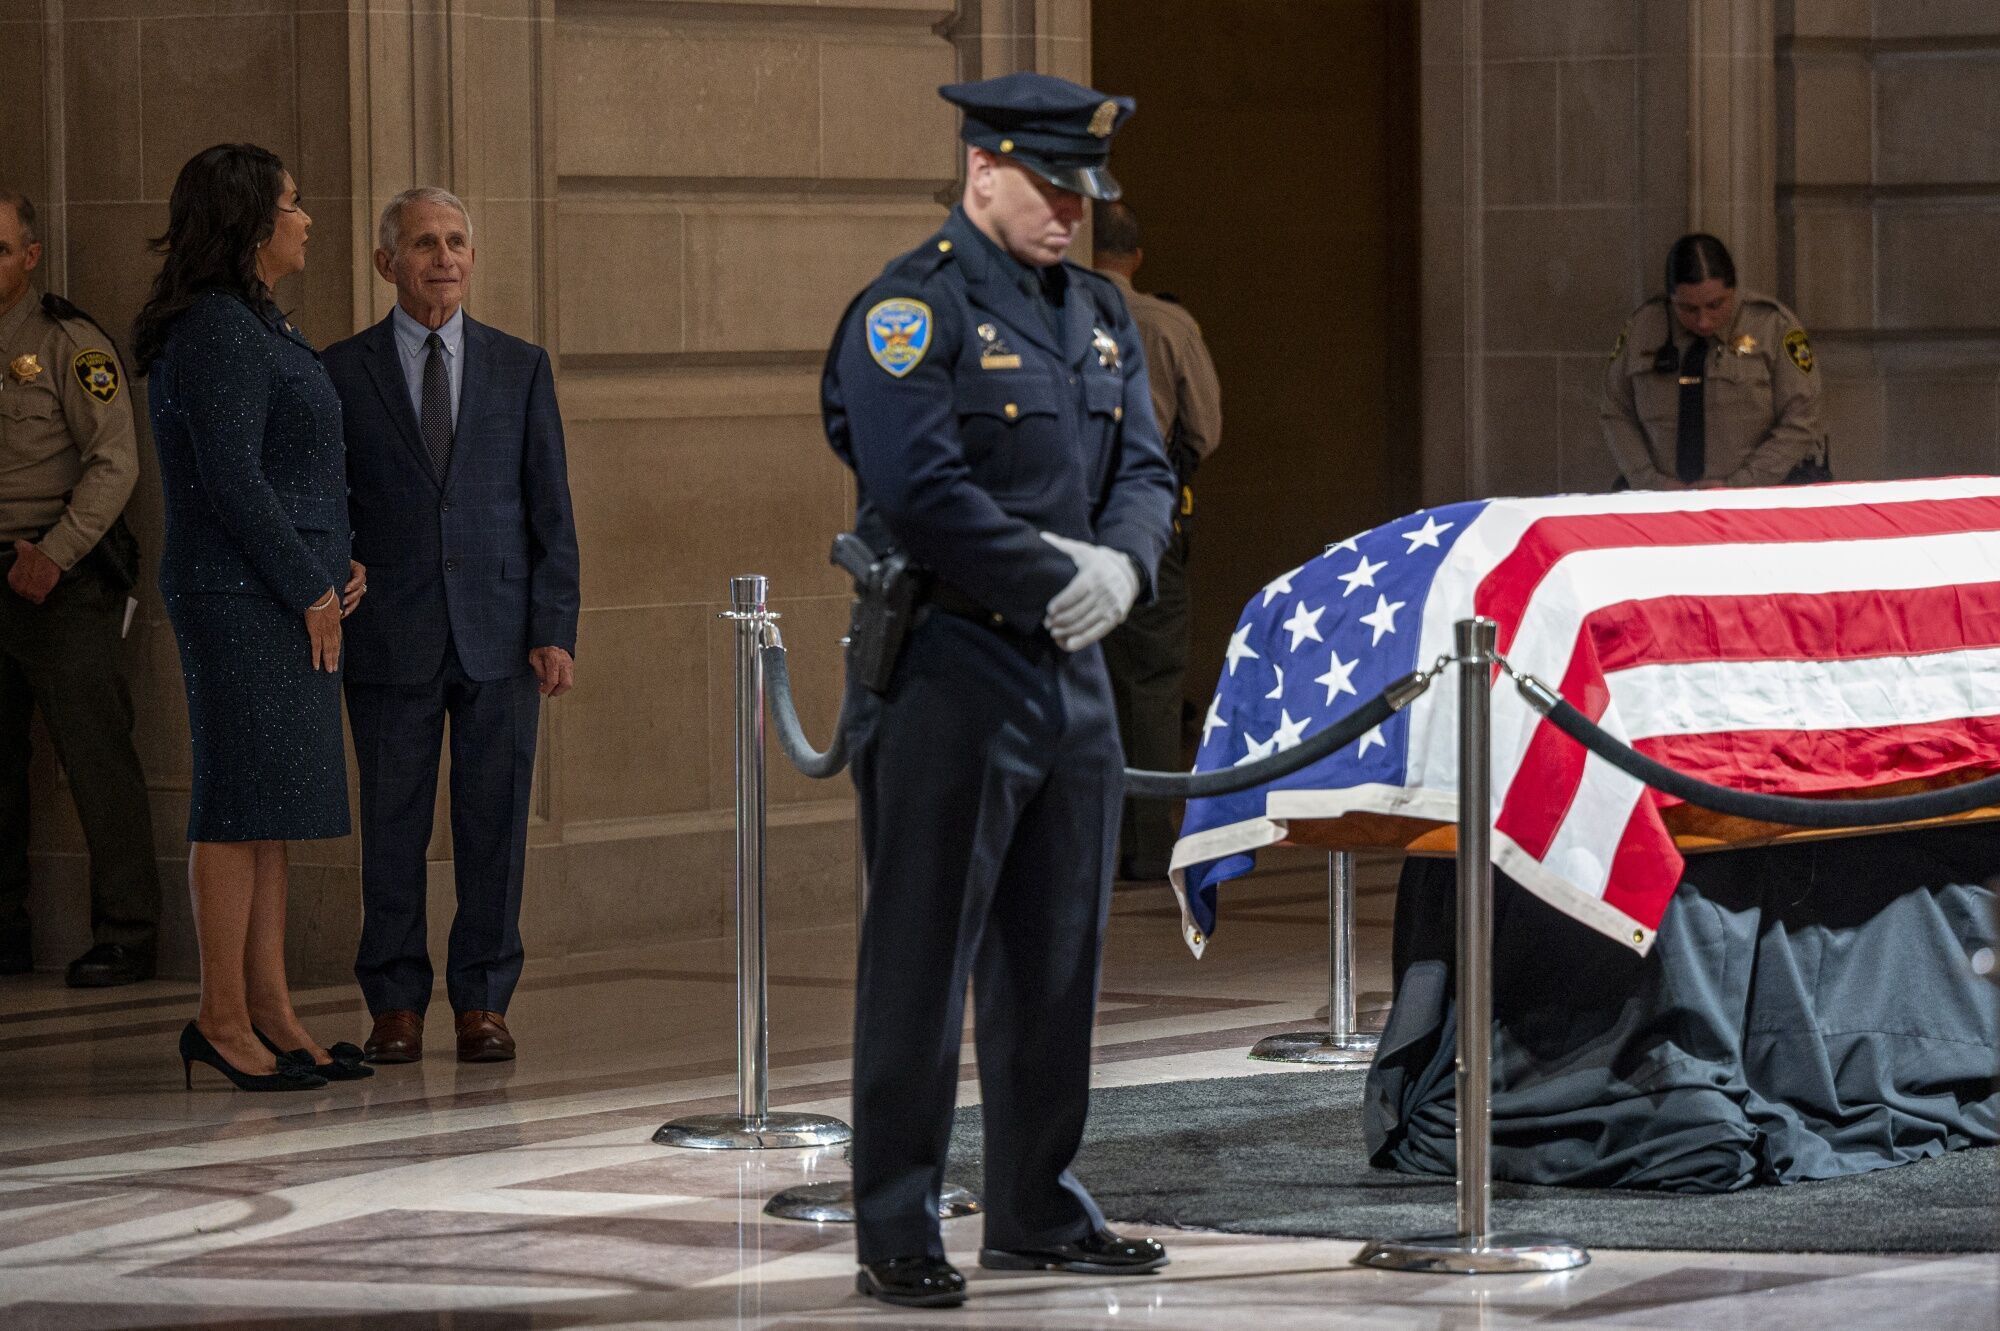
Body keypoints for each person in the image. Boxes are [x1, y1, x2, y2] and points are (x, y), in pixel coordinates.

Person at [823, 72, 1178, 1309]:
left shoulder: (1093, 312)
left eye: (1085, 192)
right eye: (1049, 184)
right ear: (981, 167)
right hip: (951, 667)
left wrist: (1123, 571)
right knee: (921, 958)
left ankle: (1035, 1205)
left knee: (1055, 955)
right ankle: (895, 1220)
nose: (1073, 212)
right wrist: (1045, 577)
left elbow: (1145, 463)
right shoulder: (907, 313)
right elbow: (918, 488)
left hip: (1070, 672)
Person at [322, 187, 579, 1066]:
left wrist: (556, 625)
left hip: (502, 633)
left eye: (458, 241)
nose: (444, 258)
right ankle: (394, 1004)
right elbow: (326, 502)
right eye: (426, 243)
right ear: (387, 261)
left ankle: (483, 1001)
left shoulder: (520, 365)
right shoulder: (343, 370)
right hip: (388, 632)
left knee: (494, 824)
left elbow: (552, 509)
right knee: (391, 825)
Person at [134, 144, 371, 1090]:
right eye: (293, 204)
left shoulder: (256, 321)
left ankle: (270, 1007)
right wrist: (307, 584)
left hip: (279, 588)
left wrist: (333, 562)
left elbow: (294, 468)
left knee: (267, 807)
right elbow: (233, 480)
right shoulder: (219, 331)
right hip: (240, 595)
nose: (307, 219)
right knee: (236, 802)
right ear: (249, 223)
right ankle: (219, 1016)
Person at [0, 189, 165, 987]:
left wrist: (56, 553)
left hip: (60, 579)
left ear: (30, 257)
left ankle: (129, 932)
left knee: (96, 757)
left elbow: (115, 463)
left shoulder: (67, 342)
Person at [1089, 199, 1222, 881]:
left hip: (1073, 525)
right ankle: (1146, 841)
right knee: (1154, 678)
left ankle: (1091, 840)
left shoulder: (1055, 316)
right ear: (1137, 255)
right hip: (1153, 523)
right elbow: (1206, 429)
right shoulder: (1169, 325)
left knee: (1091, 678)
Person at [1601, 232, 1830, 490]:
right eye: (1687, 309)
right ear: (1671, 298)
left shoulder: (1772, 326)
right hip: (1660, 500)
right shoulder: (1643, 328)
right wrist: (1649, 481)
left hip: (1755, 498)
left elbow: (1802, 419)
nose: (1703, 321)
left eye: (1715, 305)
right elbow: (1616, 411)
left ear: (1733, 289)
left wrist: (1739, 485)